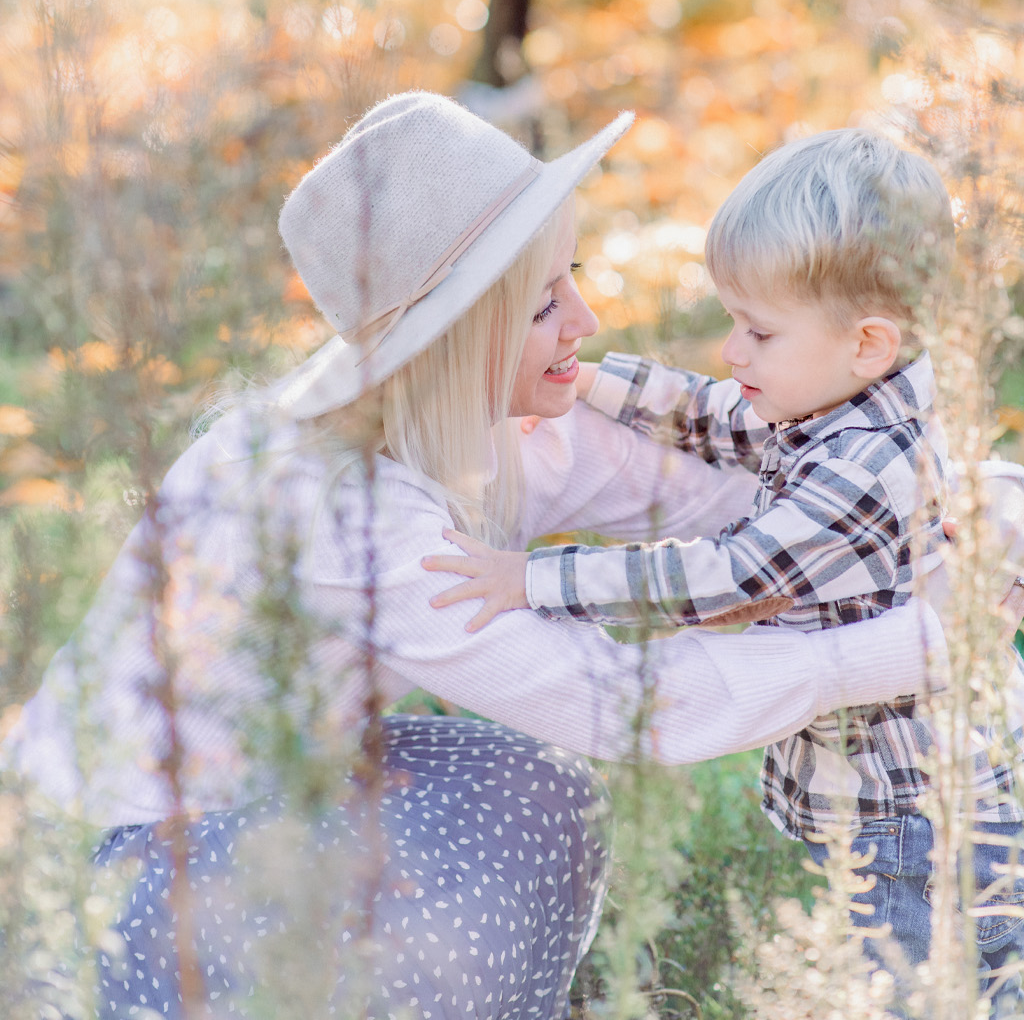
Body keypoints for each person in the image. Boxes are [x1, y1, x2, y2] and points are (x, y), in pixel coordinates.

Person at [0, 94, 1009, 1020]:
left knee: (536, 792)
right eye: (541, 304)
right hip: (101, 878)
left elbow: (749, 501)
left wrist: (967, 504)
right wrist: (899, 645)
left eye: (571, 278)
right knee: (501, 845)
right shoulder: (342, 519)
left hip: (277, 784)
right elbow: (629, 700)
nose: (588, 322)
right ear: (455, 338)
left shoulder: (488, 422)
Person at [427, 128, 1024, 1011]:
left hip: (919, 824)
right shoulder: (843, 401)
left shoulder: (865, 470)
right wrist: (589, 385)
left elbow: (724, 579)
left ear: (867, 342)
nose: (732, 353)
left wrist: (537, 581)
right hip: (921, 808)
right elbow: (715, 414)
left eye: (757, 331)